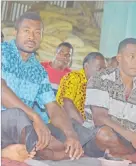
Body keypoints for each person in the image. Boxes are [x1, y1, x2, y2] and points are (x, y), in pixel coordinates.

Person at [1, 12, 90, 161]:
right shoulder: (2, 51)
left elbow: (53, 106)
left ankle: (35, 150)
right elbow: (1, 91)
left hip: (23, 127)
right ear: (16, 33)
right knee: (18, 115)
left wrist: (71, 135)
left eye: (37, 32)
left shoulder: (39, 71)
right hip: (6, 121)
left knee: (72, 133)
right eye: (26, 31)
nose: (32, 37)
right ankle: (38, 151)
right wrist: (35, 117)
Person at [83, 38, 136, 162]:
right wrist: (132, 136)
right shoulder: (101, 79)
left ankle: (122, 156)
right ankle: (134, 157)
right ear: (119, 58)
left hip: (128, 140)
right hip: (96, 138)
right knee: (105, 135)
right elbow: (99, 118)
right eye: (132, 56)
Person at [56, 52, 106, 124]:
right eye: (99, 68)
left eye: (104, 69)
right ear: (86, 66)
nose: (103, 72)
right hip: (66, 124)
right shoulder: (74, 77)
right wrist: (84, 126)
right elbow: (66, 103)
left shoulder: (96, 85)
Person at [33, 42, 73, 124]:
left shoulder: (71, 76)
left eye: (68, 55)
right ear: (55, 53)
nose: (64, 57)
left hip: (58, 109)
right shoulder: (42, 67)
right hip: (39, 105)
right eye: (61, 53)